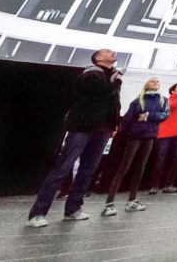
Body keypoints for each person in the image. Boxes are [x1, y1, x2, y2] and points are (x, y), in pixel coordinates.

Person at [27, 49, 123, 227]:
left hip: (102, 129)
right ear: (99, 58)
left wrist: (115, 123)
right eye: (108, 51)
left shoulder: (111, 77)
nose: (113, 52)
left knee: (88, 169)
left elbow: (114, 103)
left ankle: (73, 209)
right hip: (82, 128)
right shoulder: (91, 74)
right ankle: (37, 213)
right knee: (63, 167)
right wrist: (116, 81)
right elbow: (102, 94)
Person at [102, 77, 169, 216]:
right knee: (124, 168)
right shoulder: (137, 101)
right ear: (146, 84)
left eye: (158, 81)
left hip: (149, 137)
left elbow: (164, 115)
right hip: (135, 137)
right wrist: (116, 129)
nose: (156, 82)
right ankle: (109, 204)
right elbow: (127, 119)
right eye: (152, 81)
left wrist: (148, 115)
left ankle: (132, 201)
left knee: (140, 168)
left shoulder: (163, 100)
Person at [150, 82, 177, 195]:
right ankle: (155, 186)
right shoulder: (167, 101)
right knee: (161, 160)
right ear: (172, 91)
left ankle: (168, 185)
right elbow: (174, 106)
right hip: (164, 135)